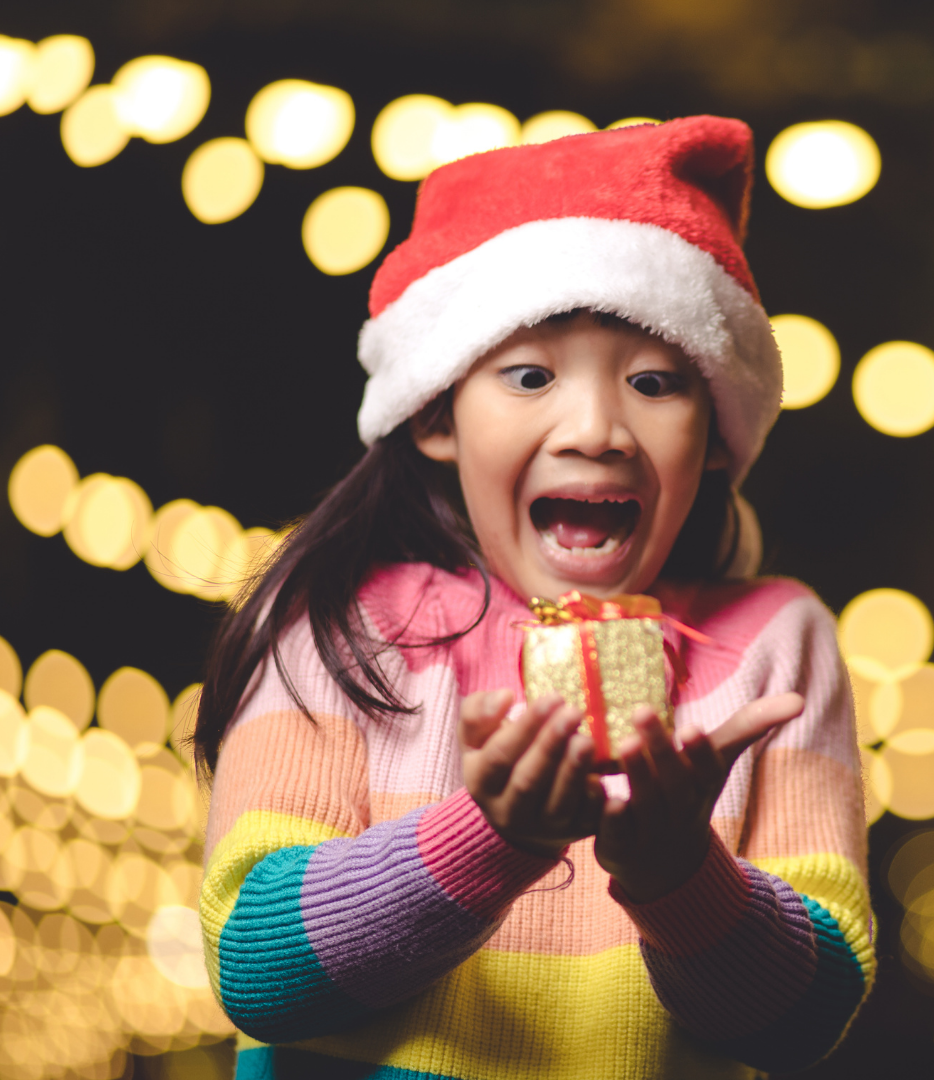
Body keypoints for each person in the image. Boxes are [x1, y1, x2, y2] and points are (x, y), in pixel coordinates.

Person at [196, 115, 874, 1080]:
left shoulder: (777, 646)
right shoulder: (337, 624)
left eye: (654, 381)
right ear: (436, 413)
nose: (596, 427)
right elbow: (257, 970)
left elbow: (803, 1022)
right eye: (528, 376)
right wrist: (494, 835)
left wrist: (680, 874)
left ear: (715, 435)